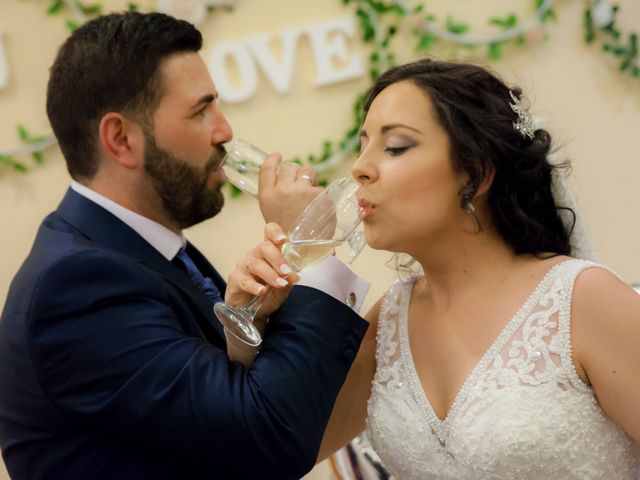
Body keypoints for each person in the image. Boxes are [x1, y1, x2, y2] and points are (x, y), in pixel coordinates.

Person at [0, 12, 371, 479]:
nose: (224, 131)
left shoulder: (152, 252)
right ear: (121, 139)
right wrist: (308, 248)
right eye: (201, 110)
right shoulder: (75, 286)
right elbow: (265, 436)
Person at [229, 59, 640, 479]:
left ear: (476, 175)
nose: (360, 167)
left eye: (395, 147)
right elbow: (274, 450)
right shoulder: (389, 323)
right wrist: (251, 328)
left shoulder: (581, 300)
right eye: (363, 144)